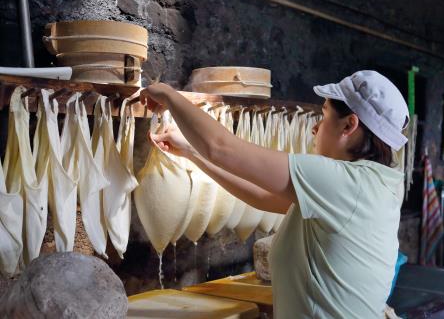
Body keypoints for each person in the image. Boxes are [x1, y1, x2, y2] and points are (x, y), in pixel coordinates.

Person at [140, 70, 409, 318]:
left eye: (324, 115)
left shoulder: (346, 183)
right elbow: (261, 195)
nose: (315, 128)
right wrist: (192, 154)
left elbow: (222, 147)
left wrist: (168, 95)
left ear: (349, 126)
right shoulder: (374, 183)